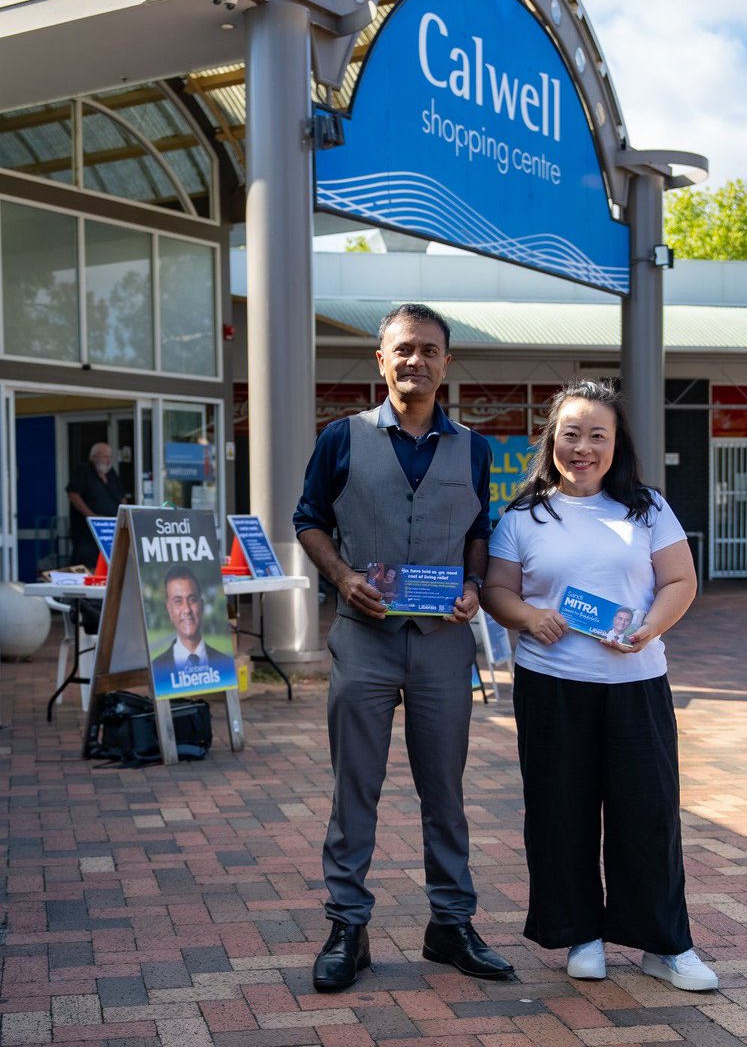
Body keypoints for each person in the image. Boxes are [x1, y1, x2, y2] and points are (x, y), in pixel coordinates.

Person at [294, 302, 514, 992]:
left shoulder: (473, 448)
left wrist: (476, 584)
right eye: (402, 349)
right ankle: (347, 926)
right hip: (365, 637)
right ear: (380, 360)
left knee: (444, 791)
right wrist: (341, 576)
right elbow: (309, 521)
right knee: (354, 785)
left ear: (445, 363)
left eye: (428, 349)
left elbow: (480, 528)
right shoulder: (341, 438)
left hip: (444, 642)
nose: (415, 359)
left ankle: (450, 924)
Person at [483, 379, 718, 992]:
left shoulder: (647, 507)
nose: (582, 447)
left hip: (636, 681)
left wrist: (648, 628)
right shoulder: (524, 514)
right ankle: (580, 934)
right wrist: (530, 616)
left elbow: (680, 582)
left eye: (597, 435)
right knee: (561, 811)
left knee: (649, 814)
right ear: (551, 440)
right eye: (570, 434)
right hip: (552, 684)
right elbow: (497, 590)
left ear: (617, 444)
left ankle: (665, 946)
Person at [150, 565, 219, 689]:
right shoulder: (156, 668)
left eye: (192, 600)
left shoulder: (224, 662)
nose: (187, 609)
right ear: (169, 609)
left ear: (201, 605)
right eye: (178, 602)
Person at [66, 442, 124, 569]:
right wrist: (92, 516)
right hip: (86, 531)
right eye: (105, 457)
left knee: (110, 563)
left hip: (110, 529)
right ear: (94, 457)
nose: (108, 461)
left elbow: (121, 496)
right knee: (87, 563)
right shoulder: (83, 471)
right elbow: (73, 495)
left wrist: (124, 515)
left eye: (110, 457)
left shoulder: (111, 473)